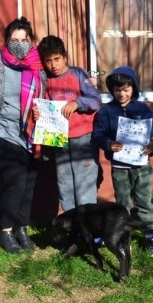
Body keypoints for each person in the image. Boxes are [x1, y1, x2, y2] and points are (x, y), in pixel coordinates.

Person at [0, 17, 45, 253]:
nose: (19, 44)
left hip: (30, 134)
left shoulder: (37, 65)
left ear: (30, 40)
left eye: (23, 39)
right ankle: (5, 231)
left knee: (29, 184)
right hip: (5, 131)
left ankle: (22, 228)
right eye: (14, 39)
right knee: (16, 182)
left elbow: (45, 95)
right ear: (6, 41)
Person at [91, 65, 153, 257]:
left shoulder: (143, 109)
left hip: (142, 166)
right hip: (119, 167)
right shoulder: (107, 111)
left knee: (144, 202)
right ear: (112, 90)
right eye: (117, 90)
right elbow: (98, 135)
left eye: (126, 89)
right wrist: (108, 143)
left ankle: (149, 237)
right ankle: (124, 238)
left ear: (134, 88)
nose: (122, 94)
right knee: (122, 204)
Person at [35, 35, 102, 211]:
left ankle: (89, 231)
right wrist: (38, 115)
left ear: (65, 56)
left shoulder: (78, 74)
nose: (53, 65)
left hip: (83, 138)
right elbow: (44, 107)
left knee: (85, 182)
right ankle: (73, 227)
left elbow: (96, 100)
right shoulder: (45, 81)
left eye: (57, 59)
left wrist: (77, 103)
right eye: (48, 61)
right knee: (64, 183)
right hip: (59, 140)